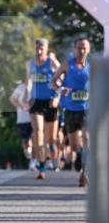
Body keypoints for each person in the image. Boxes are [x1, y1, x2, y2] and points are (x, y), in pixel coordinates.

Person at [51, 36, 91, 187]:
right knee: (74, 146)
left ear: (88, 50)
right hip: (70, 109)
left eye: (84, 48)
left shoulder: (92, 67)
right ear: (74, 49)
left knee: (87, 139)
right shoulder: (67, 64)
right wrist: (61, 88)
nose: (81, 51)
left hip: (87, 109)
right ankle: (81, 160)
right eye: (79, 48)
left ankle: (85, 172)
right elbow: (53, 81)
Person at [26, 37, 60, 180]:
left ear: (47, 49)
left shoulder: (51, 62)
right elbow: (28, 81)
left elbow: (62, 79)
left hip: (50, 102)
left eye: (42, 48)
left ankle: (52, 149)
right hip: (36, 102)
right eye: (37, 48)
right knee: (38, 133)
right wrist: (27, 96)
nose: (39, 51)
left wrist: (57, 97)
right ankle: (41, 166)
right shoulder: (30, 63)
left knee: (50, 138)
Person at [9, 81, 35, 169]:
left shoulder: (37, 87)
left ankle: (34, 160)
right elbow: (12, 99)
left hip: (34, 119)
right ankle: (30, 156)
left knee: (34, 139)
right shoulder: (21, 87)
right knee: (26, 142)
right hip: (22, 119)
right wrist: (21, 106)